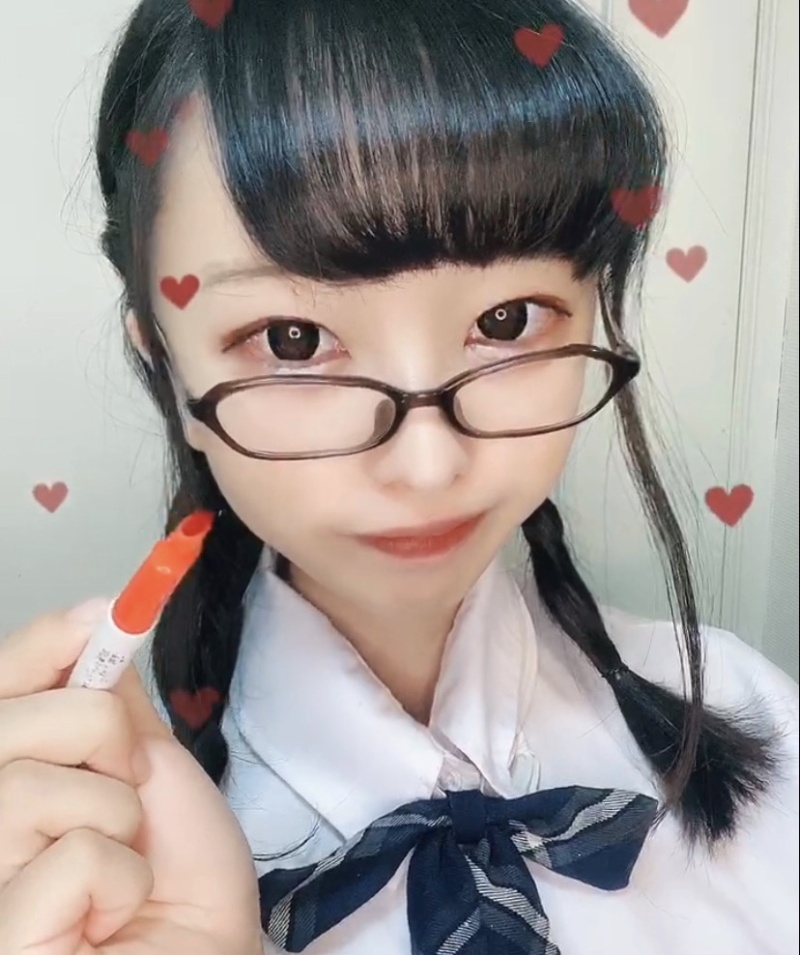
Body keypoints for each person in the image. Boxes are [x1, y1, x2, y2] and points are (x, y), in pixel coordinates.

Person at [0, 0, 797, 952]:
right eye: (293, 340)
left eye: (507, 322)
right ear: (167, 366)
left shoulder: (748, 708)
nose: (428, 464)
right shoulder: (83, 864)